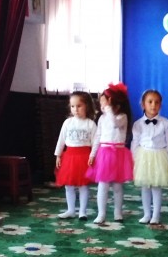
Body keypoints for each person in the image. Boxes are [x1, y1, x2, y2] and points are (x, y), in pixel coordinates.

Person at [86, 83, 133, 224]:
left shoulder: (122, 117)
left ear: (112, 102)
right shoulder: (102, 118)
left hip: (118, 154)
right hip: (104, 154)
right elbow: (98, 137)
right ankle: (101, 214)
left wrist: (108, 108)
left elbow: (115, 124)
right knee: (103, 185)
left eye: (103, 102)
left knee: (118, 186)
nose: (102, 106)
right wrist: (92, 154)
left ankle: (118, 212)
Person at [132, 89, 168, 225]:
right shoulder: (138, 124)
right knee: (145, 186)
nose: (153, 105)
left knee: (156, 186)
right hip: (143, 156)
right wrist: (134, 158)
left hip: (159, 156)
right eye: (150, 102)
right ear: (143, 104)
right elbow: (135, 142)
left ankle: (156, 215)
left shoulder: (165, 122)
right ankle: (146, 214)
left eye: (156, 102)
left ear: (160, 105)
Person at [54, 91, 97, 221]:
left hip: (84, 158)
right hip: (69, 157)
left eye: (79, 106)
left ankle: (82, 212)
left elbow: (95, 142)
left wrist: (93, 156)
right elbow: (61, 139)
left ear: (87, 106)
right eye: (73, 106)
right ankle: (71, 210)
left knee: (83, 185)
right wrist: (58, 155)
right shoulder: (67, 122)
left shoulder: (90, 124)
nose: (75, 109)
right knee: (69, 185)